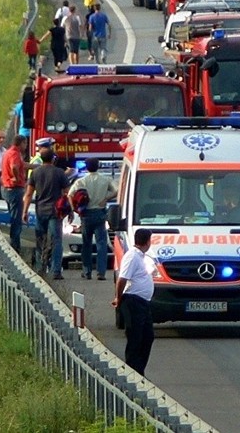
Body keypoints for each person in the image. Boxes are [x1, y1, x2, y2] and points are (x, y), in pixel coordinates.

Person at [111, 228, 155, 376]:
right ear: (148, 241)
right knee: (135, 338)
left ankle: (139, 370)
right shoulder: (132, 256)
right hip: (133, 301)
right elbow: (122, 279)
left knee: (147, 337)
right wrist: (119, 297)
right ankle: (133, 373)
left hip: (142, 302)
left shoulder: (141, 256)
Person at [23, 146, 70, 279]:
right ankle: (56, 270)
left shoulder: (35, 173)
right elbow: (68, 193)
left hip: (40, 210)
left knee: (40, 240)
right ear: (53, 158)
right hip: (55, 211)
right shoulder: (59, 173)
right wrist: (70, 210)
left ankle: (40, 268)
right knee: (56, 240)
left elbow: (28, 194)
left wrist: (25, 211)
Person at [69, 158, 117, 280]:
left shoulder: (81, 181)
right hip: (100, 213)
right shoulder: (105, 179)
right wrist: (106, 198)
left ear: (86, 167)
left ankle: (87, 271)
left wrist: (74, 209)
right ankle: (101, 272)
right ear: (99, 166)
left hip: (86, 214)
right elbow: (115, 191)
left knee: (86, 244)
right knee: (101, 243)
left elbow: (70, 195)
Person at [0, 135, 30, 253]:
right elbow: (14, 167)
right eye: (25, 143)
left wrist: (39, 166)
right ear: (21, 143)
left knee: (13, 216)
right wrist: (16, 178)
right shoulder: (15, 154)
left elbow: (22, 165)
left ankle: (14, 243)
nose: (26, 146)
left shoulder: (8, 152)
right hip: (14, 189)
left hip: (7, 188)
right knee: (16, 220)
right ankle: (15, 246)